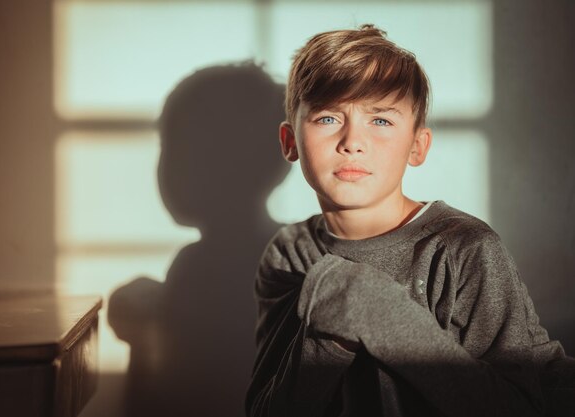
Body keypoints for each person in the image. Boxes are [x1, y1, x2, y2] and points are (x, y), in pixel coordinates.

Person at [245, 24, 572, 417]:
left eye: (380, 120)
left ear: (417, 146)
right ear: (290, 142)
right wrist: (329, 337)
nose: (353, 141)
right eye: (328, 118)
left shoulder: (465, 247)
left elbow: (523, 406)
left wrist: (381, 314)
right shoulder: (289, 254)